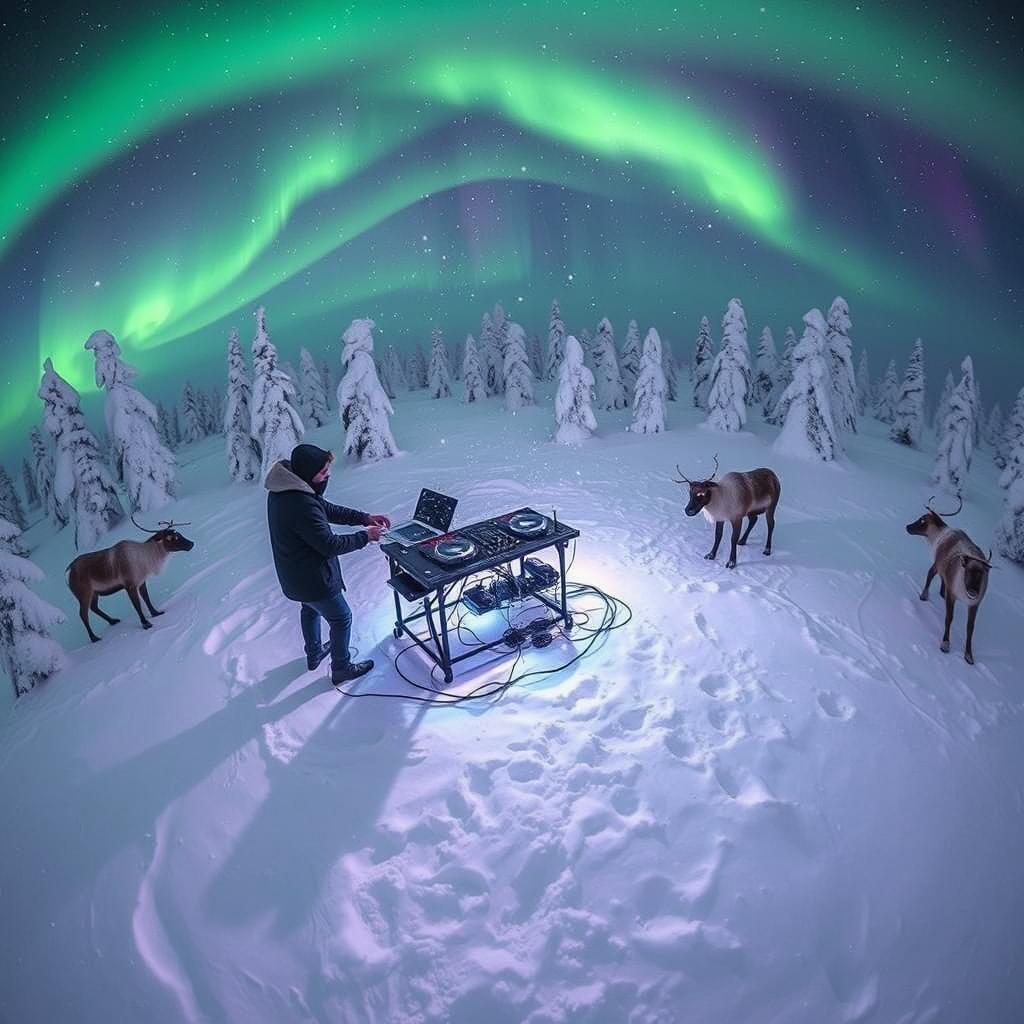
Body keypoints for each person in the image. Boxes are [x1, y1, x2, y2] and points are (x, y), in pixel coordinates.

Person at [265, 443, 391, 684]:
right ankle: (341, 668)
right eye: (322, 473)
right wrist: (367, 536)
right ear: (306, 474)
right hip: (314, 578)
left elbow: (325, 509)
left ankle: (314, 653)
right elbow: (329, 545)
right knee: (341, 618)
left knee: (309, 609)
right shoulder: (300, 503)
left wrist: (364, 518)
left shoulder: (287, 489)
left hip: (295, 574)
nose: (327, 476)